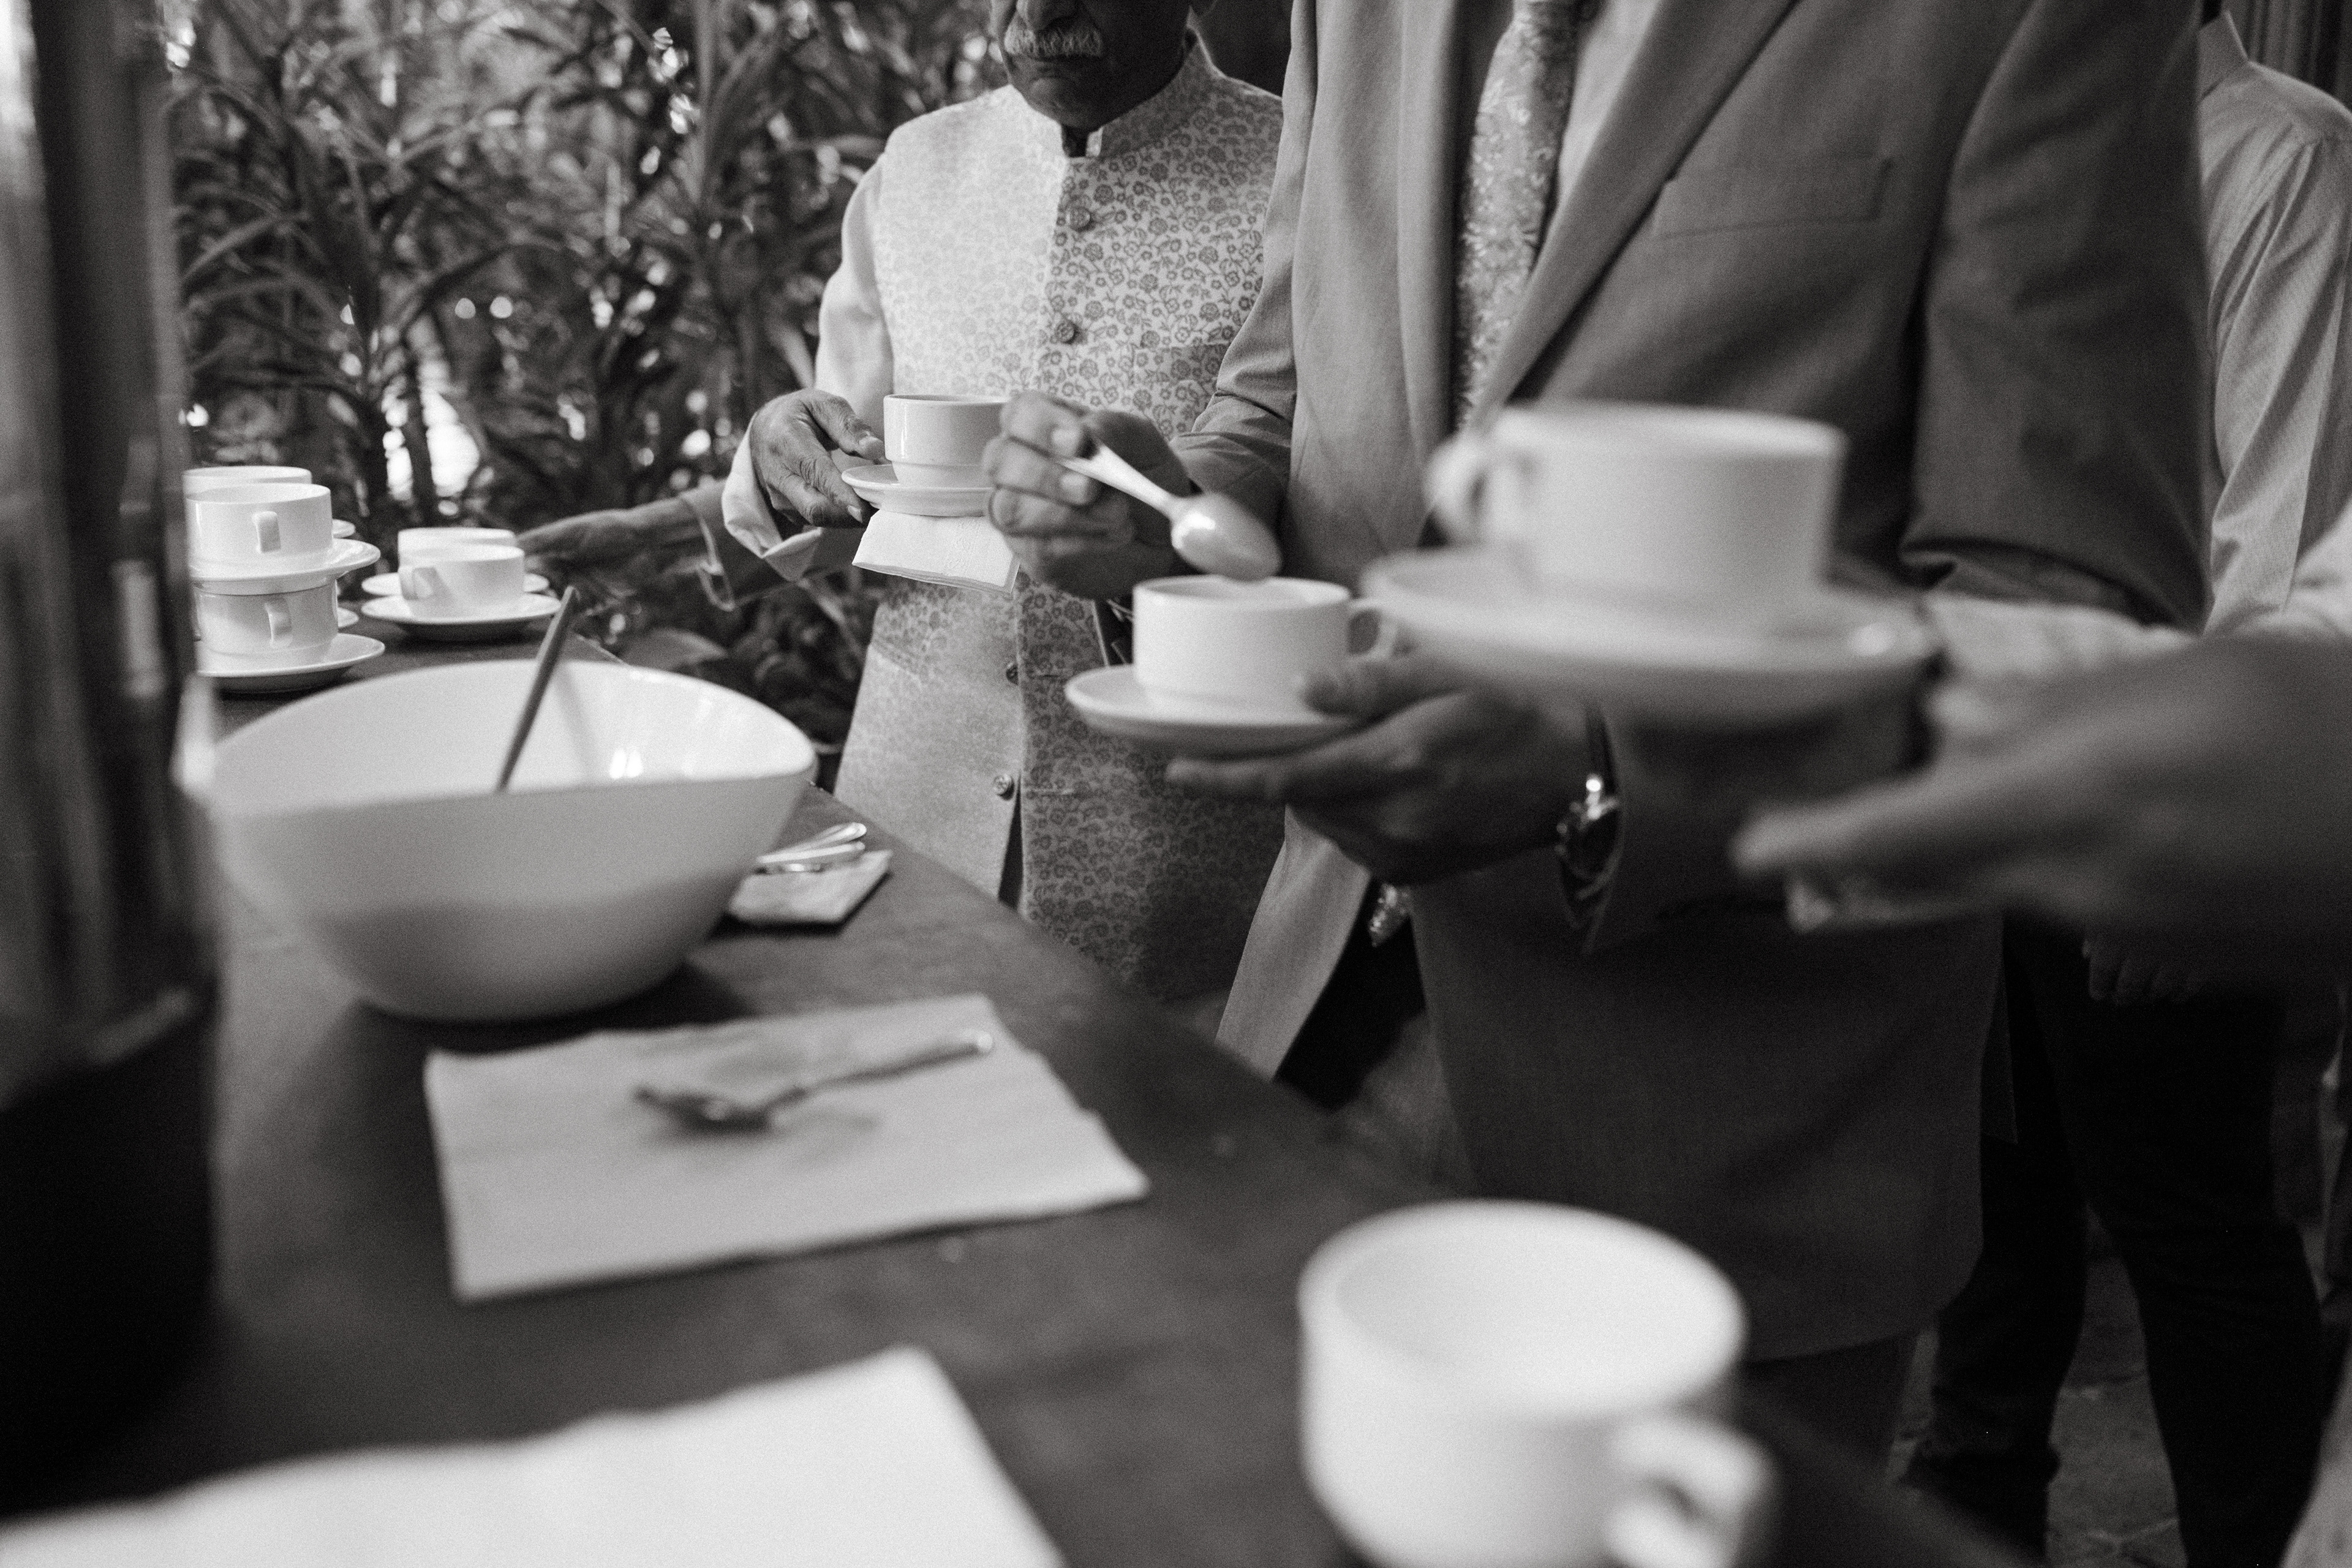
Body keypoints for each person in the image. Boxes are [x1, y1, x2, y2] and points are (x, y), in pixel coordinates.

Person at [982, 0, 2211, 1455]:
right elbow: (1282, 398)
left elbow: (2065, 619)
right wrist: (1171, 512)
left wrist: (1612, 775)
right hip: (1306, 1015)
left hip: (1721, 1127)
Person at [524, 0, 1289, 1017]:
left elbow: (1326, 493)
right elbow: (862, 464)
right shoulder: (916, 167)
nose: (1037, 14)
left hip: (1181, 867)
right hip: (911, 820)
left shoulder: (1299, 174)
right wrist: (687, 515)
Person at [1895, 8, 2352, 1561]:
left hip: (2167, 782)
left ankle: (2253, 1538)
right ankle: (1979, 1500)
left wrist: (2183, 833)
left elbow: (2281, 517)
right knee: (1993, 1191)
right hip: (1998, 737)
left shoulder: (2282, 161)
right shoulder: (2010, 132)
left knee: (2190, 1220)